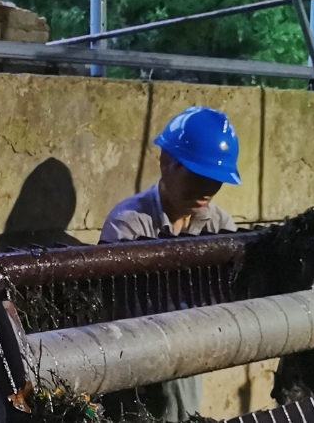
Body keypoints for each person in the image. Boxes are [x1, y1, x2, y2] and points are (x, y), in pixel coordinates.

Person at [99, 106, 241, 422]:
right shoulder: (128, 225)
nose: (207, 191)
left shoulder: (220, 225)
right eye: (198, 177)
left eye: (215, 180)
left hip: (191, 358)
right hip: (134, 359)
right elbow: (115, 310)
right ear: (166, 163)